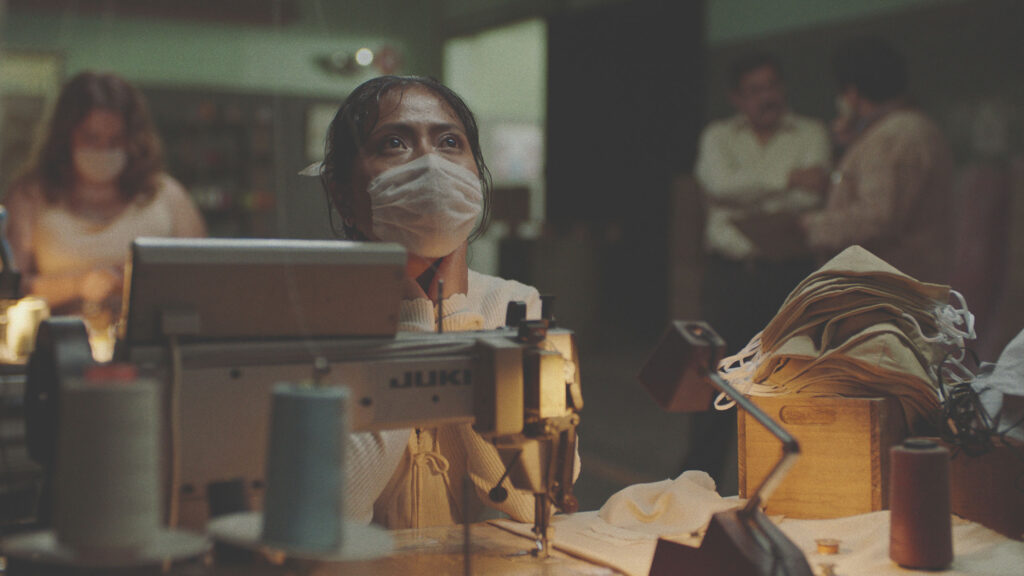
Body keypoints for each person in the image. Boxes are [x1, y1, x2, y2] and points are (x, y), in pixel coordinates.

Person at [316, 75, 575, 528]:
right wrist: (415, 326)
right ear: (341, 192)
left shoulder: (514, 306)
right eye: (393, 143)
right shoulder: (313, 318)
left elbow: (535, 502)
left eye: (450, 141)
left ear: (476, 174)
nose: (431, 165)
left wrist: (455, 315)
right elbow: (330, 514)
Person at [688, 52, 830, 491]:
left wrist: (744, 198)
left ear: (783, 88)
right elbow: (718, 186)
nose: (765, 97)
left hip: (788, 275)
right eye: (754, 90)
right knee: (715, 381)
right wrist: (786, 182)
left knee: (790, 379)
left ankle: (788, 486)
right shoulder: (718, 136)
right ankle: (698, 487)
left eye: (771, 86)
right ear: (737, 98)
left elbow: (812, 201)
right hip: (731, 276)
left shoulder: (811, 133)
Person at [4, 71, 206, 328]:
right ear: (66, 137)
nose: (103, 150)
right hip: (60, 347)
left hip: (149, 346)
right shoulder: (31, 196)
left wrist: (142, 282)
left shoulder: (167, 195)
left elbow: (202, 281)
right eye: (91, 138)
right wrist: (79, 284)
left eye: (115, 140)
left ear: (133, 139)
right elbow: (8, 286)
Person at [801, 37, 954, 284]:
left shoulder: (890, 137)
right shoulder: (910, 127)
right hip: (909, 282)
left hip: (891, 290)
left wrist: (812, 226)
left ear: (852, 93)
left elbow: (876, 218)